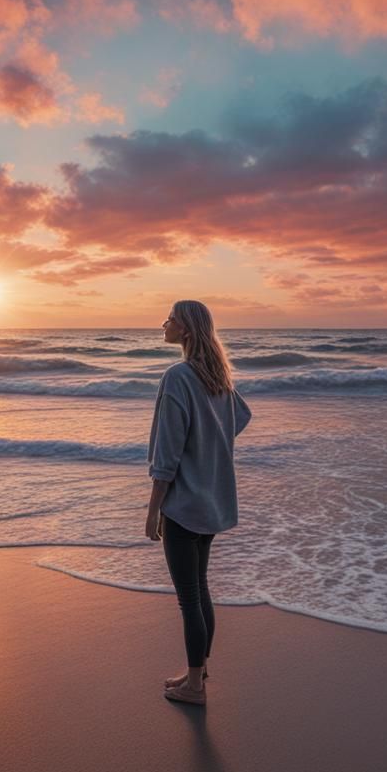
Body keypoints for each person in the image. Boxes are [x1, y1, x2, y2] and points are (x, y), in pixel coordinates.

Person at [146, 300, 252, 706]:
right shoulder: (218, 377)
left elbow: (167, 452)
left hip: (184, 504)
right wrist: (210, 444)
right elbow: (239, 418)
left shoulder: (178, 377)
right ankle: (198, 672)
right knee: (200, 589)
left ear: (186, 329)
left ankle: (195, 687)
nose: (164, 324)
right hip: (212, 502)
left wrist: (154, 507)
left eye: (170, 318)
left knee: (189, 597)